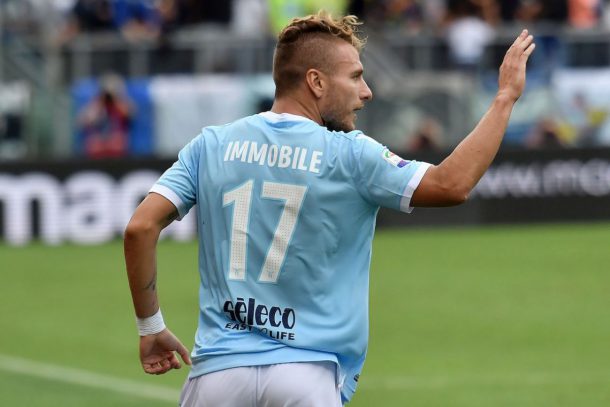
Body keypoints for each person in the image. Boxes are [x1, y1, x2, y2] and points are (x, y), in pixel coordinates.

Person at [124, 11, 535, 406]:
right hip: (307, 376)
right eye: (355, 76)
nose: (366, 91)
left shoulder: (210, 145)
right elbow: (451, 184)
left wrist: (150, 327)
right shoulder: (349, 154)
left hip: (217, 376)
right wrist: (504, 98)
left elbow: (140, 228)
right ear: (316, 82)